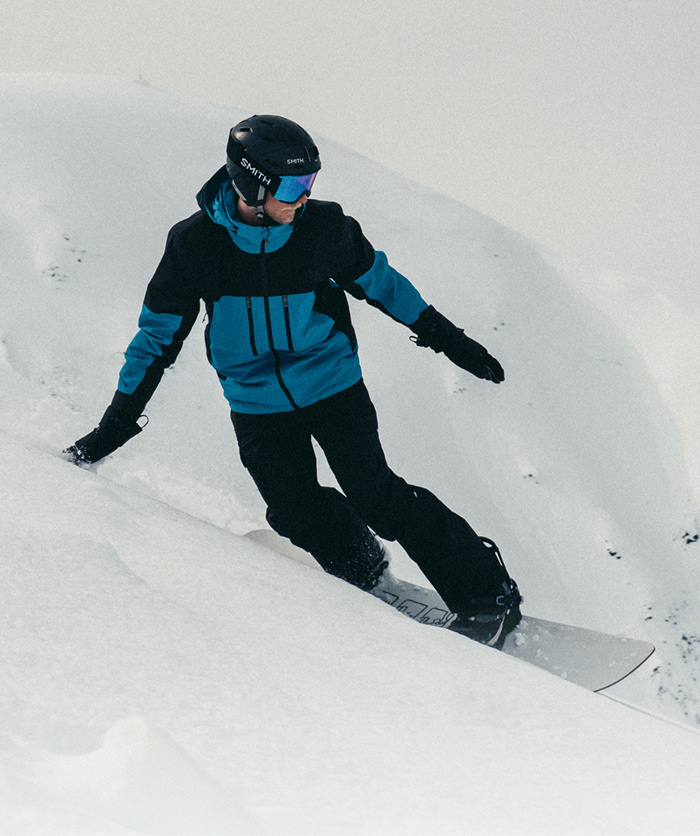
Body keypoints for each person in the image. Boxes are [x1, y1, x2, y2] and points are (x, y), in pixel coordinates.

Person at [64, 114, 522, 648]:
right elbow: (156, 338)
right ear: (252, 185)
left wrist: (449, 338)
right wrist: (114, 425)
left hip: (331, 383)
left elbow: (383, 283)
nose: (304, 197)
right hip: (256, 400)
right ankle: (363, 567)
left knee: (378, 495)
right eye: (293, 186)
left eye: (310, 183)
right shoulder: (195, 246)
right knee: (292, 510)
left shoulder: (324, 230)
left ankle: (488, 595)